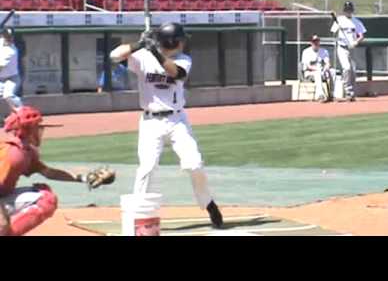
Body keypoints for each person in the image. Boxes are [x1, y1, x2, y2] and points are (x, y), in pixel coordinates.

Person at [109, 23, 224, 229]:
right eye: (180, 39)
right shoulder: (142, 57)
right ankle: (137, 216)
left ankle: (208, 203)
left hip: (177, 121)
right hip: (150, 122)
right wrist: (139, 45)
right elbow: (114, 56)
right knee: (146, 168)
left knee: (194, 164)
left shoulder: (183, 59)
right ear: (173, 41)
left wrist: (153, 50)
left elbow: (176, 73)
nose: (183, 43)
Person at [0, 106, 114, 236]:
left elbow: (49, 172)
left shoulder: (26, 152)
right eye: (38, 127)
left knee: (45, 196)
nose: (40, 131)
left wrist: (84, 178)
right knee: (44, 201)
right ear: (29, 129)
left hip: (3, 195)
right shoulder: (15, 154)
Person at [330, 1, 367, 102]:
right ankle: (348, 92)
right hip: (342, 47)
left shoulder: (356, 21)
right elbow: (333, 33)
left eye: (349, 10)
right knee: (346, 68)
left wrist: (356, 42)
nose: (348, 12)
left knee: (353, 71)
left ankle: (352, 93)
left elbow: (362, 35)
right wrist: (338, 28)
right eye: (346, 10)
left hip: (352, 48)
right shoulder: (339, 20)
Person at [301, 34, 334, 102]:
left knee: (333, 71)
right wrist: (318, 69)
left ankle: (331, 94)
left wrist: (326, 67)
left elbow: (327, 62)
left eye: (317, 41)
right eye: (314, 41)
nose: (316, 43)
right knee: (317, 73)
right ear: (311, 42)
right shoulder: (306, 52)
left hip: (322, 71)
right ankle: (320, 95)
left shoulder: (324, 51)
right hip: (309, 73)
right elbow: (308, 66)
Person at [0, 28, 23, 111]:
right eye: (6, 36)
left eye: (10, 37)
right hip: (1, 78)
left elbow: (0, 67)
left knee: (8, 95)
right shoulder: (1, 41)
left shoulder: (10, 51)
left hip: (12, 78)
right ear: (2, 35)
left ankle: (21, 111)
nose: (8, 38)